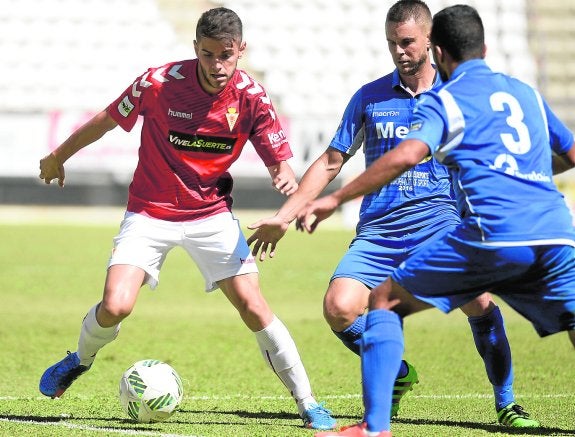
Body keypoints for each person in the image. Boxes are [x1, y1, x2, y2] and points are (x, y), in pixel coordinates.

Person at [37, 7, 336, 431]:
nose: (217, 65)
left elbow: (280, 162)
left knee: (253, 305)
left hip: (211, 215)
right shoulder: (158, 83)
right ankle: (79, 360)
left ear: (241, 51)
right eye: (208, 54)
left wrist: (283, 177)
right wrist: (57, 157)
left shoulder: (252, 96)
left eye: (226, 55)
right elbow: (105, 120)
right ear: (195, 48)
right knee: (116, 304)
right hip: (149, 211)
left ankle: (308, 403)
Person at [248, 0, 537, 428]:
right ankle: (397, 373)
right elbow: (331, 161)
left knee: (479, 301)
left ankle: (507, 402)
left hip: (441, 226)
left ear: (430, 42)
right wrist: (287, 214)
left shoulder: (457, 96)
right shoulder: (370, 97)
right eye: (391, 43)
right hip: (379, 232)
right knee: (338, 308)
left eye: (407, 42)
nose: (399, 52)